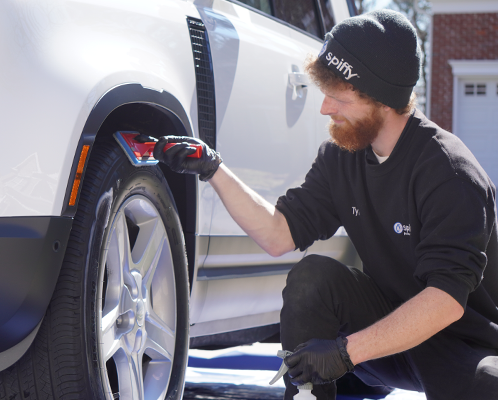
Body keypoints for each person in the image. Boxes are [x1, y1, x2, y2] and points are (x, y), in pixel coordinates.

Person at [153, 9, 498, 400]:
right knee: (313, 280)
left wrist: (345, 352)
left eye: (339, 96)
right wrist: (213, 169)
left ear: (382, 98)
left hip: (458, 348)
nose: (325, 108)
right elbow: (277, 233)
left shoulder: (450, 172)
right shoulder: (342, 157)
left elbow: (446, 303)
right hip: (382, 334)